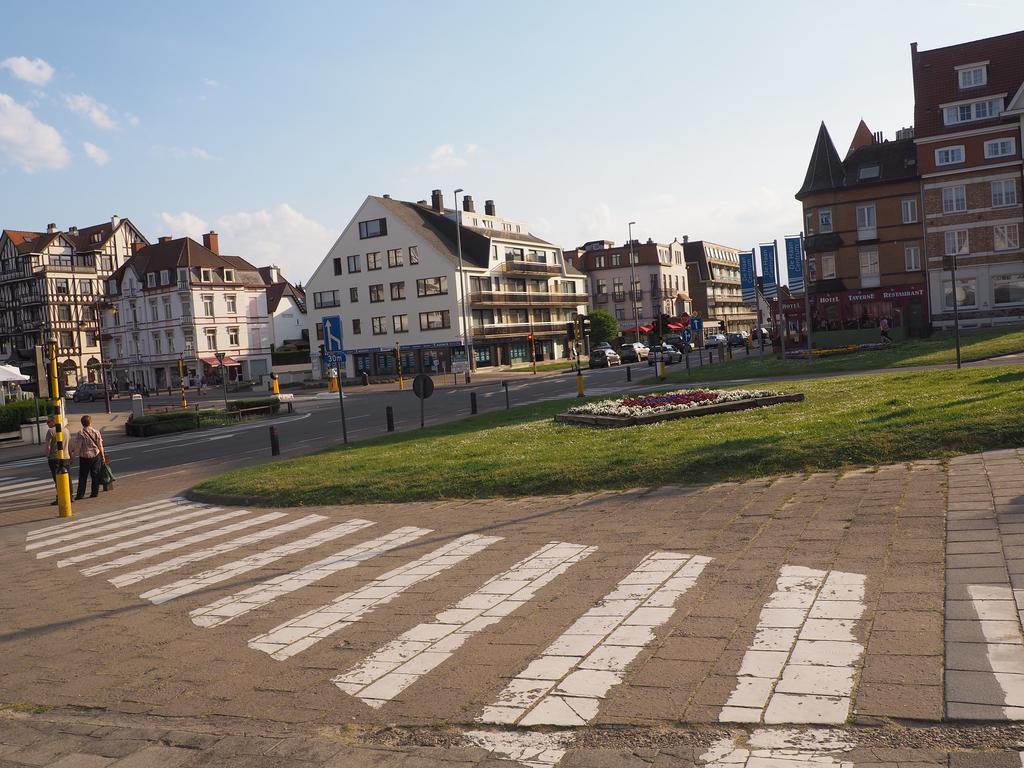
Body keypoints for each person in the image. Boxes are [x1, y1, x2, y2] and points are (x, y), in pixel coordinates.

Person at [71, 414, 106, 499]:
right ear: (90, 422)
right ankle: (94, 492)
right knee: (95, 475)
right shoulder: (96, 432)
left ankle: (80, 494)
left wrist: (73, 457)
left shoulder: (81, 433)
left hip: (84, 457)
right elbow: (100, 445)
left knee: (83, 476)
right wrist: (103, 456)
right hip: (95, 455)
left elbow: (78, 447)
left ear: (82, 423)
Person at [43, 415, 61, 505]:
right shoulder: (64, 430)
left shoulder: (50, 431)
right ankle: (69, 495)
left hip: (53, 458)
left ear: (54, 421)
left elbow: (48, 445)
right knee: (65, 477)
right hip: (63, 457)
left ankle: (60, 497)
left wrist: (47, 455)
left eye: (48, 422)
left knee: (57, 478)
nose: (47, 424)